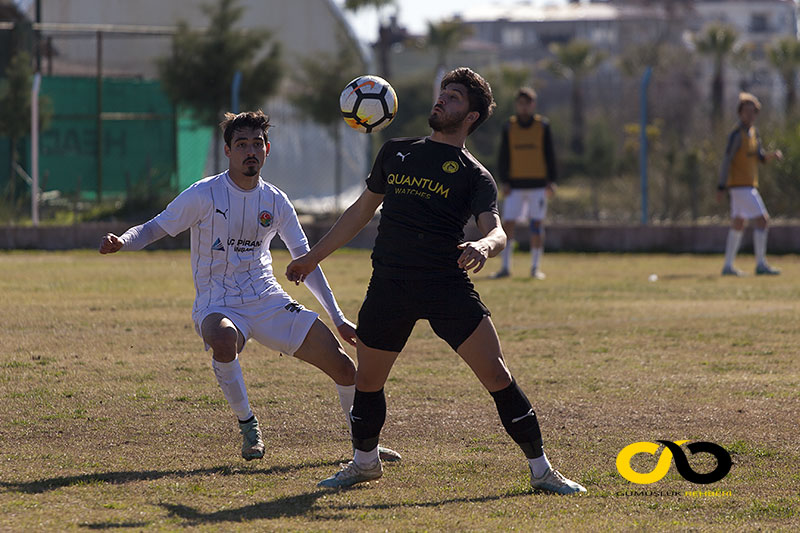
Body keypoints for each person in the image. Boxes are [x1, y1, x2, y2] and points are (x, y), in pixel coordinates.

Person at [286, 68, 585, 495]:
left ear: (472, 117)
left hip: (446, 284)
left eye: (455, 97)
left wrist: (483, 246)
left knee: (497, 376)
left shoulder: (474, 175)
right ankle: (364, 464)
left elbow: (497, 230)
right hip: (390, 282)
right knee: (368, 381)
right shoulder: (396, 152)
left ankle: (542, 471)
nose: (443, 100)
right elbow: (358, 213)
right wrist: (311, 258)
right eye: (443, 93)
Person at [99, 110, 400, 463]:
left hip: (267, 298)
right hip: (218, 301)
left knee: (345, 368)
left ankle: (364, 445)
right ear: (228, 151)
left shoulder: (275, 201)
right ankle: (248, 424)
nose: (250, 151)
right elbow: (155, 227)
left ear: (267, 149)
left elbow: (306, 258)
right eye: (241, 144)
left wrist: (337, 316)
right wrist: (124, 240)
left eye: (257, 143)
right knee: (224, 340)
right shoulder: (204, 194)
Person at [491, 87, 557, 280]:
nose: (524, 107)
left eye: (527, 103)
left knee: (536, 225)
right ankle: (505, 267)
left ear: (533, 105)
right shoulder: (509, 127)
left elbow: (550, 155)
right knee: (508, 224)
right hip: (515, 186)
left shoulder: (543, 126)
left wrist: (551, 181)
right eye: (520, 103)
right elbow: (503, 156)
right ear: (516, 105)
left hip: (538, 186)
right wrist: (504, 181)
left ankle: (535, 267)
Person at [717, 92, 783, 276]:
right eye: (746, 111)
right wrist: (721, 186)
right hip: (741, 187)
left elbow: (759, 157)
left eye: (753, 111)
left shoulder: (754, 134)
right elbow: (727, 160)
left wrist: (772, 155)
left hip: (747, 186)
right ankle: (761, 264)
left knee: (738, 223)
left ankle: (728, 266)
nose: (750, 115)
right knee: (763, 220)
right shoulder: (736, 135)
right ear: (740, 113)